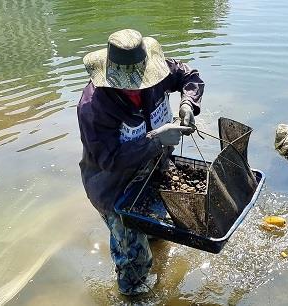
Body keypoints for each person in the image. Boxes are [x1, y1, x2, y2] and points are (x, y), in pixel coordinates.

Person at [77, 29, 204, 295]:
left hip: (155, 170)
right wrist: (157, 139)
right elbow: (108, 159)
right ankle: (132, 295)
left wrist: (188, 104)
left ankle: (156, 253)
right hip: (115, 187)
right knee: (134, 258)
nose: (140, 86)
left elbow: (189, 76)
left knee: (158, 232)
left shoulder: (157, 72)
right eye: (130, 83)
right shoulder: (94, 107)